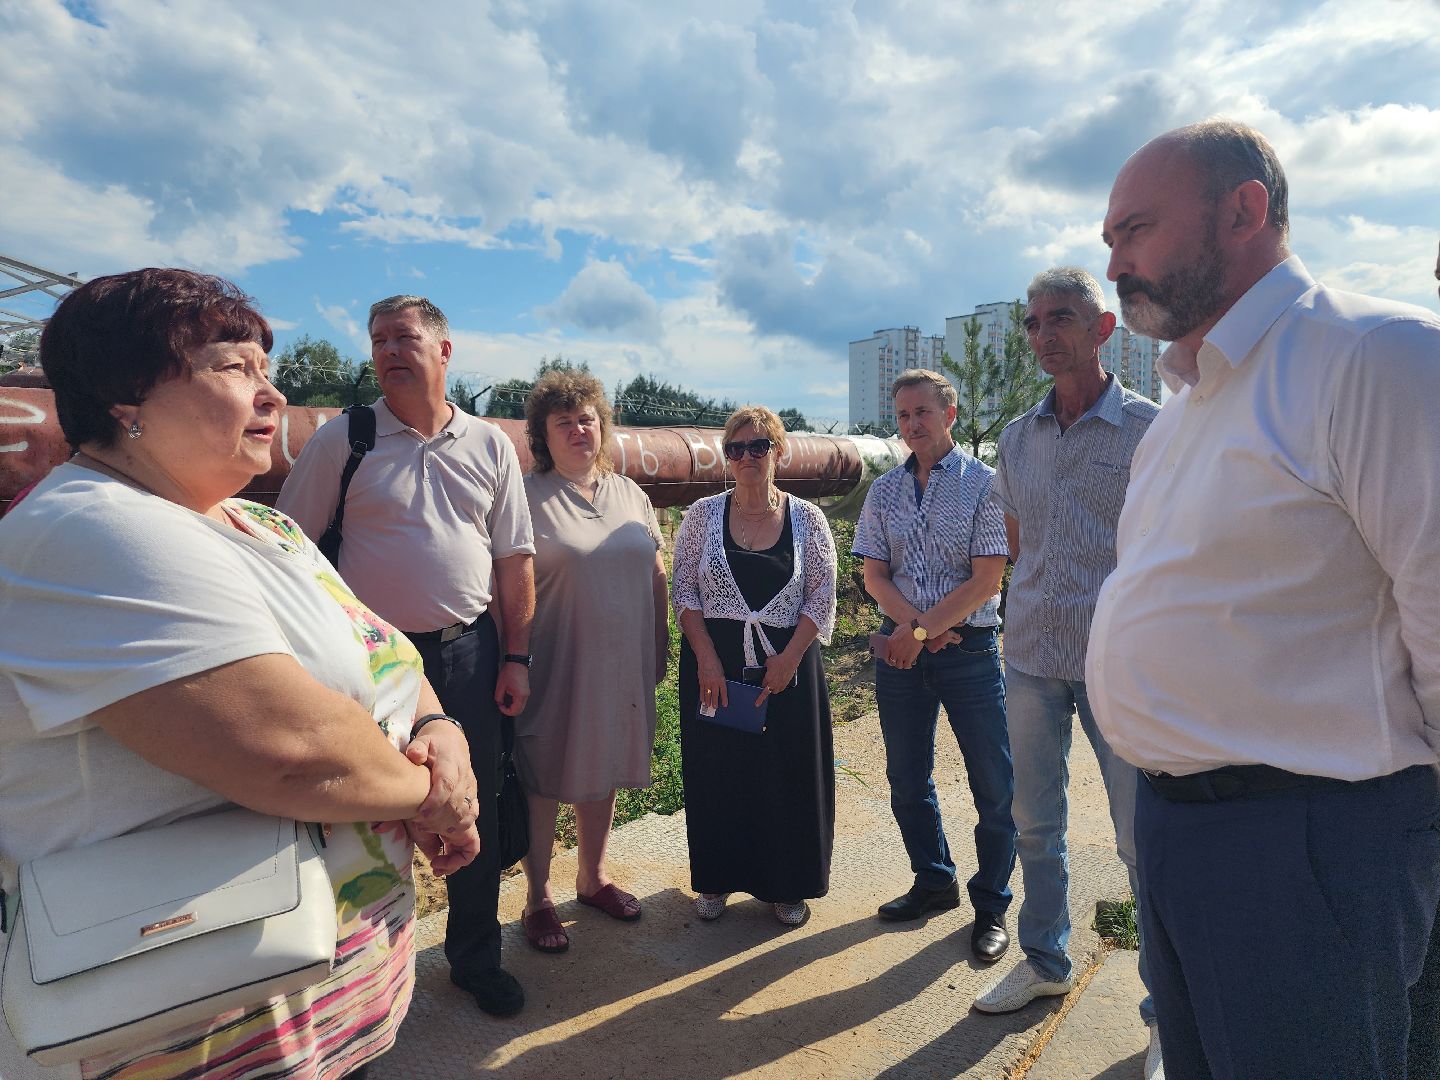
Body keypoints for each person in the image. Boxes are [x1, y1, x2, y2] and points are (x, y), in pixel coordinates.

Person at [0, 268, 479, 1080]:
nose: (272, 392)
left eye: (267, 368)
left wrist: (440, 731)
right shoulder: (92, 530)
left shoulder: (263, 524)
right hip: (179, 1032)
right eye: (234, 367)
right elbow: (294, 752)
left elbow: (386, 656)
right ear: (126, 399)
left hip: (322, 998)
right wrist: (442, 795)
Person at [1090, 120, 1440, 1078]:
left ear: (1244, 209)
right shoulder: (1183, 410)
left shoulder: (1375, 356)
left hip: (1307, 848)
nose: (1114, 260)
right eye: (1110, 239)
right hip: (1175, 833)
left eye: (1136, 229)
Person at [277, 295, 535, 1018]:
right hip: (371, 669)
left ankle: (476, 959)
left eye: (405, 337)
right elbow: (288, 555)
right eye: (377, 339)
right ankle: (347, 983)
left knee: (466, 807)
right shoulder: (345, 440)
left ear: (444, 352)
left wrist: (517, 657)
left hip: (468, 655)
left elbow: (514, 560)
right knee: (356, 815)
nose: (389, 350)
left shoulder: (489, 446)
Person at [972, 266, 1162, 1063]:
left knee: (1141, 839)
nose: (1044, 335)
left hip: (1122, 668)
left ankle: (1166, 1010)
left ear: (1104, 328)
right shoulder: (1017, 438)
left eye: (1061, 319)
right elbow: (1016, 544)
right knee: (1035, 824)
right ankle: (1045, 961)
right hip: (1033, 660)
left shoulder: (1153, 431)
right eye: (1033, 323)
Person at [852, 368, 1015, 962]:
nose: (911, 425)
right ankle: (933, 880)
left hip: (968, 653)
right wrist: (914, 635)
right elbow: (874, 573)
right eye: (902, 415)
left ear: (949, 414)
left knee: (994, 786)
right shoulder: (885, 492)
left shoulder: (985, 485)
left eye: (922, 412)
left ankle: (992, 904)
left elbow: (987, 577)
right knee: (907, 779)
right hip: (904, 657)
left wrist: (920, 631)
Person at [513, 368, 668, 953]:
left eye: (588, 419)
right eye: (564, 422)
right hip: (555, 658)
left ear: (603, 426)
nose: (579, 430)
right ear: (542, 435)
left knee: (601, 761)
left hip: (624, 660)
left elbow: (655, 573)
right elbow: (507, 584)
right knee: (547, 769)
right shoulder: (525, 498)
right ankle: (538, 896)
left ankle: (592, 876)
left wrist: (659, 645)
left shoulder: (630, 494)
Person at [671, 405, 837, 926]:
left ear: (777, 452)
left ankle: (787, 885)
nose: (746, 457)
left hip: (788, 665)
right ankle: (718, 878)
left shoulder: (808, 519)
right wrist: (706, 659)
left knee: (787, 776)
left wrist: (789, 659)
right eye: (736, 448)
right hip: (713, 663)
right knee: (718, 773)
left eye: (758, 447)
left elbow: (822, 593)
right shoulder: (702, 515)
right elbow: (685, 590)